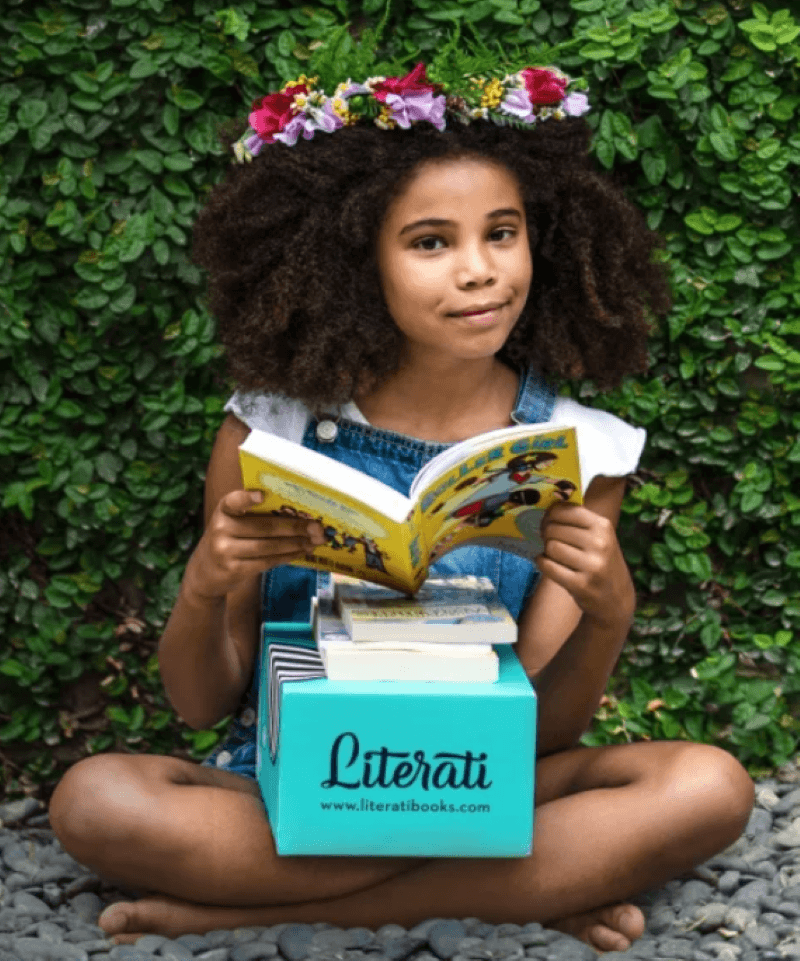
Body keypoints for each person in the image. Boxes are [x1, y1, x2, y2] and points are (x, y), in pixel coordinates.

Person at [47, 38, 756, 956]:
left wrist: (608, 614)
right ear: (354, 261)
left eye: (502, 232)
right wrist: (205, 586)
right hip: (300, 777)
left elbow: (544, 731)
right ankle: (519, 895)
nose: (479, 270)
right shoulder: (270, 431)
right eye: (431, 242)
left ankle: (262, 913)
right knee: (95, 799)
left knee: (709, 785)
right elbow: (197, 705)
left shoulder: (582, 451)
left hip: (483, 775)